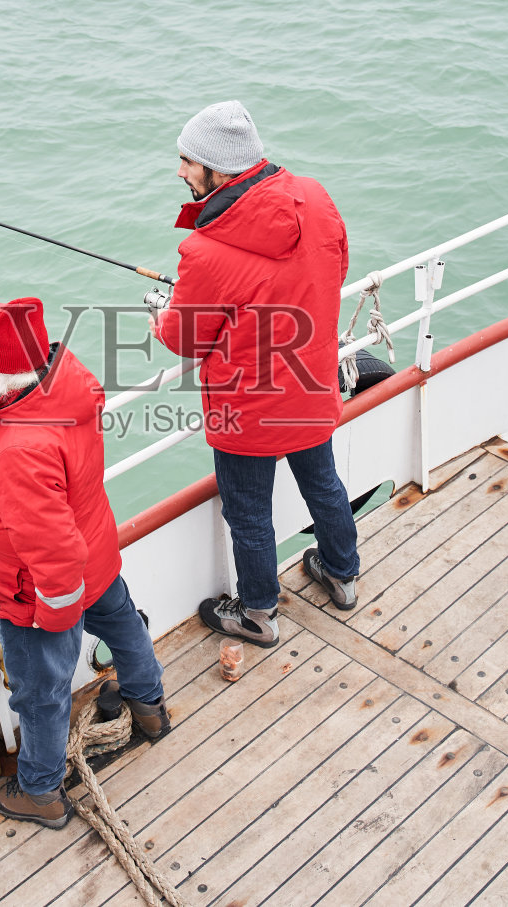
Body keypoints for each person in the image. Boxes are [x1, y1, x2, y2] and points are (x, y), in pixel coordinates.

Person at [147, 101, 360, 648]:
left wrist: (161, 316)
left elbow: (185, 338)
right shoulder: (314, 197)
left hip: (245, 412)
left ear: (218, 169)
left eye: (187, 161)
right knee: (324, 484)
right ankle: (342, 573)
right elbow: (338, 265)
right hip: (310, 386)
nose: (180, 171)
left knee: (249, 514)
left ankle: (260, 613)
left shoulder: (203, 250)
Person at [0, 296, 169, 830]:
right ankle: (150, 709)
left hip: (41, 591)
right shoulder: (69, 384)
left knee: (41, 690)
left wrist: (54, 619)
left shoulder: (14, 450)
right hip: (95, 551)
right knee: (123, 627)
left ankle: (42, 791)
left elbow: (49, 549)